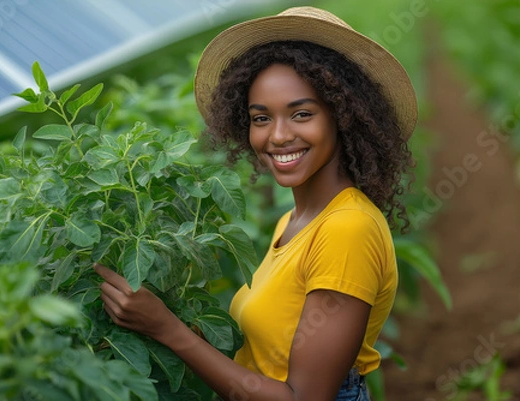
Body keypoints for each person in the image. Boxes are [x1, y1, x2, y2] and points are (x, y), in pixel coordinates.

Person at [94, 6, 417, 401]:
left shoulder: (347, 229)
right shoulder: (293, 221)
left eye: (301, 114)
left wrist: (168, 330)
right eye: (260, 118)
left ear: (343, 116)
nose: (278, 136)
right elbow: (266, 355)